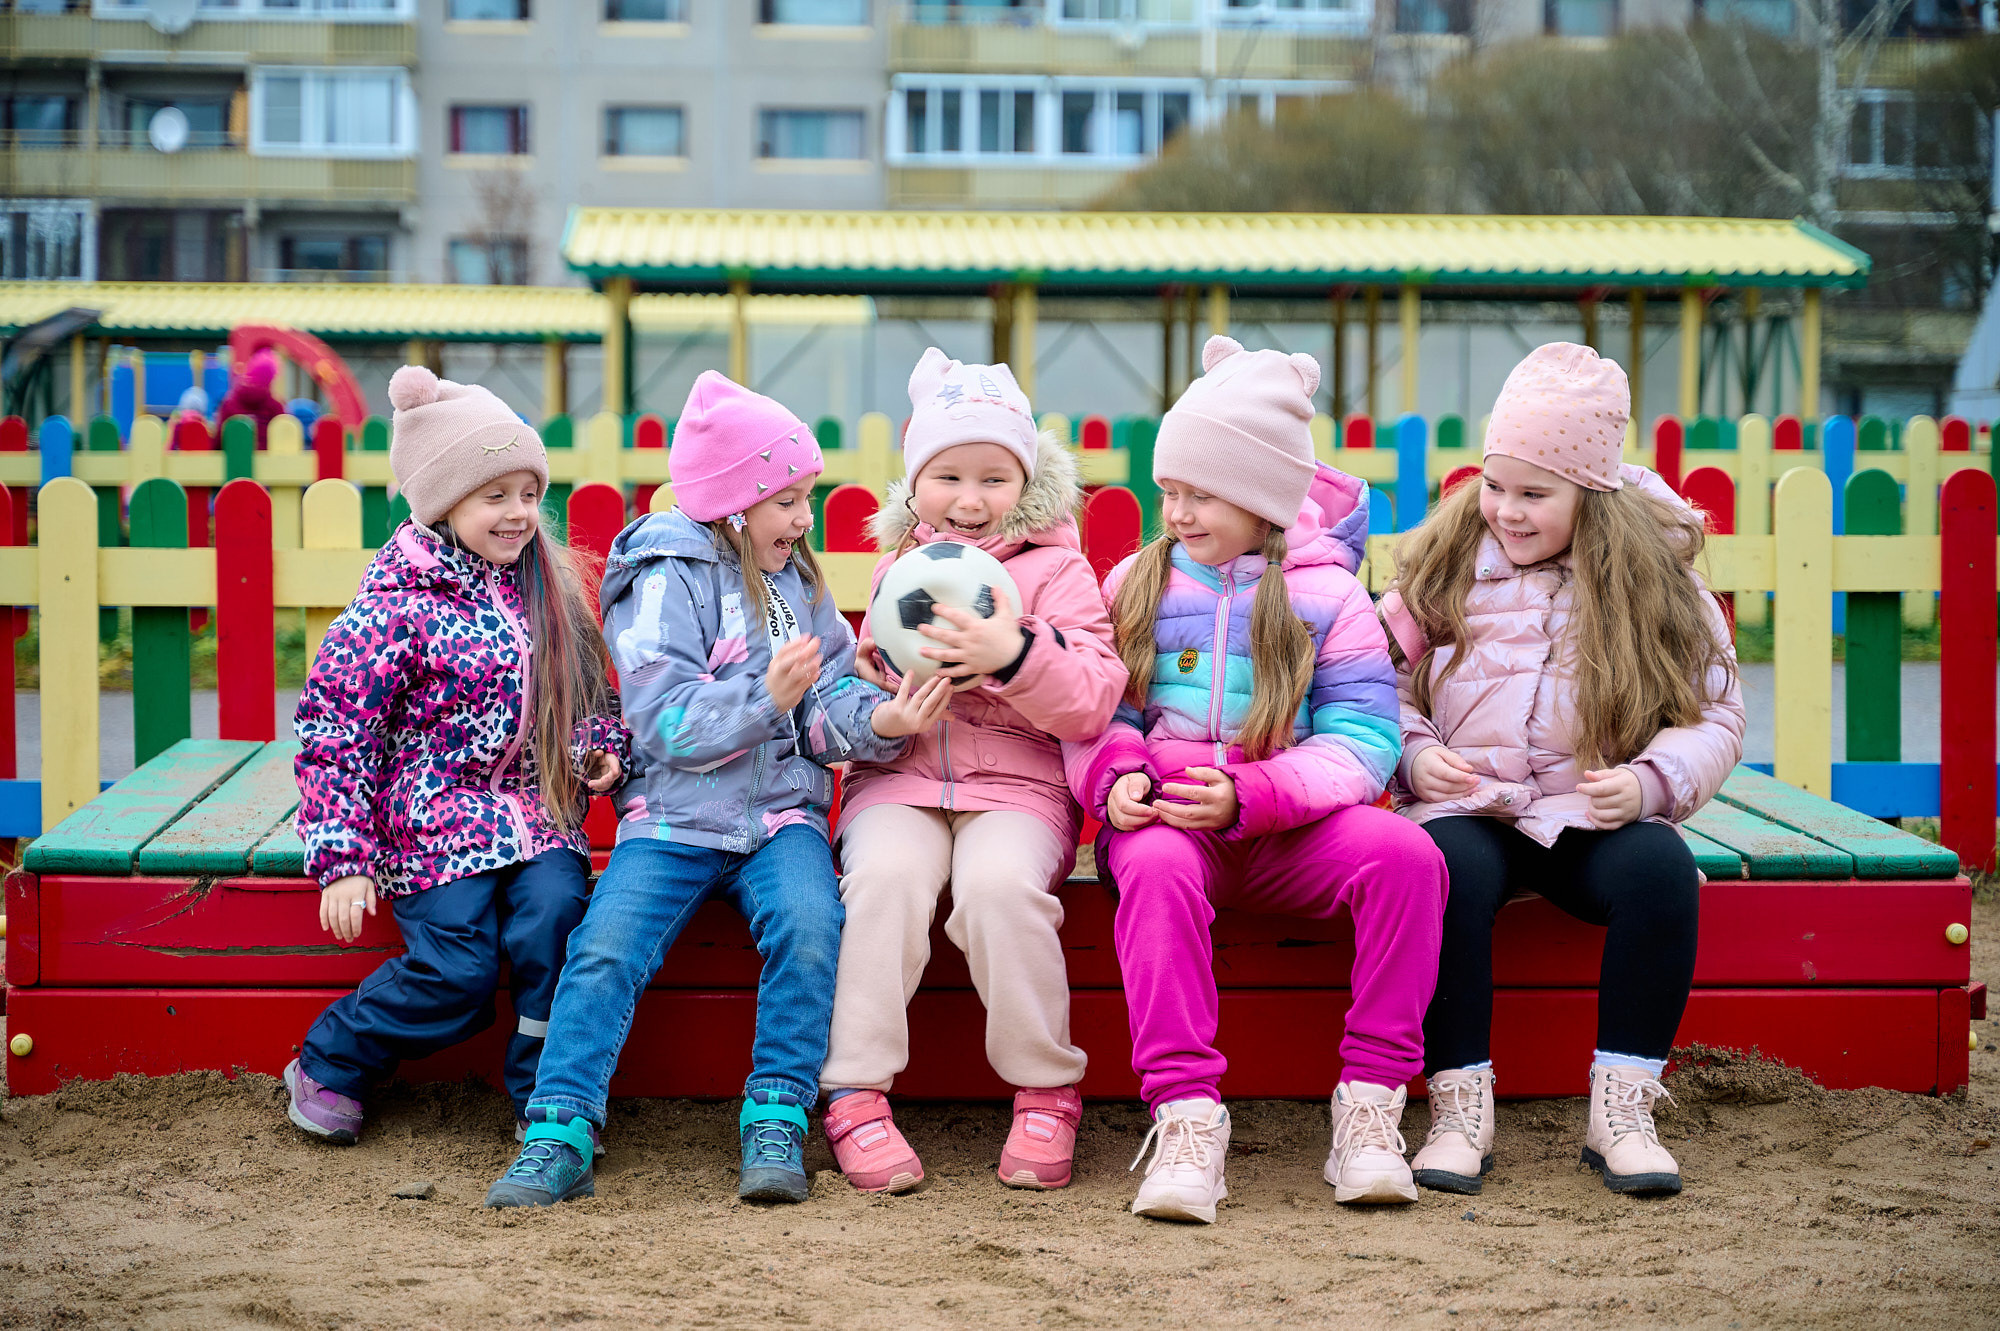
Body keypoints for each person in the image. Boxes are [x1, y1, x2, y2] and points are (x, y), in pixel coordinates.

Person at [483, 372, 953, 1210]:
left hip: (781, 817)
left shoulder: (798, 586)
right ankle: (560, 1124)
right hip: (673, 817)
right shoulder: (664, 577)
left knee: (812, 926)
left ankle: (776, 1112)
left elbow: (824, 703)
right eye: (789, 501)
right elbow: (662, 722)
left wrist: (879, 721)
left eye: (807, 498)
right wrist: (761, 697)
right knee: (604, 947)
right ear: (736, 502)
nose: (805, 518)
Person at [1066, 336, 1448, 1224]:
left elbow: (1362, 739)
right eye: (1171, 489)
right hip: (1169, 825)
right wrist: (1117, 779)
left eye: (1201, 492)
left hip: (1288, 827)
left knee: (1408, 858)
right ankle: (1187, 1117)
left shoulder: (1332, 596)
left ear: (1266, 495)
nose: (1179, 510)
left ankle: (1371, 1107)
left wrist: (1258, 793)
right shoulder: (1137, 581)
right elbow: (1098, 716)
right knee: (1153, 867)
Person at [1381, 343, 1744, 1198]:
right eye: (1494, 485)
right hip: (1474, 806)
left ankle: (1621, 1109)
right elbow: (1370, 682)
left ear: (1591, 490)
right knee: (1444, 873)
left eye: (1534, 493)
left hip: (1590, 814)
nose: (1505, 510)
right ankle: (1459, 1107)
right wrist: (1415, 750)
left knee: (1662, 871)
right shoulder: (1444, 565)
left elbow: (1717, 710)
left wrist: (1652, 783)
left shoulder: (1657, 581)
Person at [284, 365, 628, 1147]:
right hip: (434, 821)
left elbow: (587, 700)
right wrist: (344, 857)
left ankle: (547, 1090)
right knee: (459, 972)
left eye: (528, 494)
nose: (518, 515)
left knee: (556, 923)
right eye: (494, 496)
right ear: (443, 503)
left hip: (536, 817)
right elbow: (338, 729)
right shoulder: (395, 604)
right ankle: (332, 1059)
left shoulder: (549, 588)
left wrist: (598, 751)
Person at [819, 350, 1127, 1194]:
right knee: (883, 878)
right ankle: (855, 1089)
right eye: (948, 475)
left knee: (1000, 889)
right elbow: (857, 670)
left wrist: (1015, 651)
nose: (969, 498)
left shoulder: (1059, 569)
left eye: (994, 477)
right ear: (915, 483)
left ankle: (1045, 1086)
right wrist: (880, 675)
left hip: (1018, 786)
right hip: (903, 777)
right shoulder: (900, 568)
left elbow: (1094, 696)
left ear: (1024, 482)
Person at [217, 349, 283, 445]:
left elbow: (219, 440)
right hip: (268, 459)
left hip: (234, 457)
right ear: (271, 379)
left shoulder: (230, 403)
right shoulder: (275, 406)